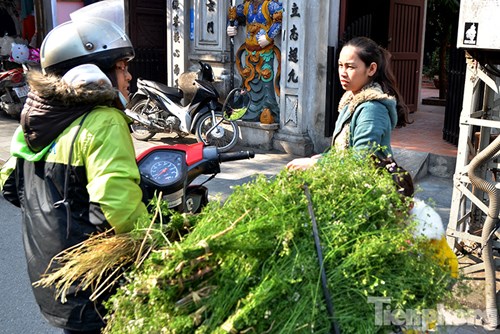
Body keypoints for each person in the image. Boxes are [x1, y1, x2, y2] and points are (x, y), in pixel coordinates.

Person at [0, 16, 147, 334]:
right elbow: (118, 204)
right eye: (122, 67)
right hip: (95, 284)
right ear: (94, 69)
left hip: (52, 280)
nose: (129, 76)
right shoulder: (103, 121)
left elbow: (11, 186)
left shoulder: (33, 121)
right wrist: (153, 244)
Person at [286, 36, 410, 171]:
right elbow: (341, 152)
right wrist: (320, 159)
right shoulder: (350, 101)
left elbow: (361, 161)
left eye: (350, 67)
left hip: (366, 188)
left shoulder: (372, 109)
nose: (343, 73)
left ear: (371, 69)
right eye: (340, 65)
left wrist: (315, 165)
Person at [227, 0, 283, 123]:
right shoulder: (247, 6)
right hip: (249, 52)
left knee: (266, 80)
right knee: (248, 81)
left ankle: (268, 110)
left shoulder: (269, 5)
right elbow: (235, 15)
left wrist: (268, 37)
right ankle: (248, 108)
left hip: (265, 52)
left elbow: (279, 17)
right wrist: (232, 26)